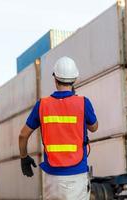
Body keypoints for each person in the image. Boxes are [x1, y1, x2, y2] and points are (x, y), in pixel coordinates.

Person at [19, 56, 98, 200]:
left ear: (55, 79)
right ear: (75, 79)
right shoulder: (83, 103)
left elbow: (23, 135)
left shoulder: (42, 105)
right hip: (77, 175)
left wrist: (24, 157)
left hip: (52, 178)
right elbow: (94, 127)